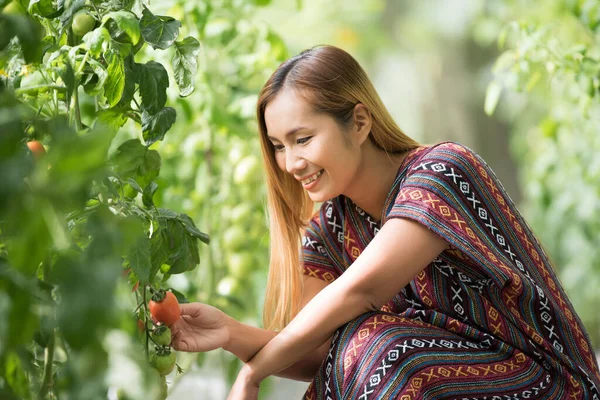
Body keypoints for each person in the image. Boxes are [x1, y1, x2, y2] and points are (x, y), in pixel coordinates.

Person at [170, 45, 600, 399]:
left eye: (303, 139)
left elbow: (362, 291)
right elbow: (318, 354)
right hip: (440, 383)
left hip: (548, 384)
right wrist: (229, 333)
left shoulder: (443, 172)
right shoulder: (330, 230)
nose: (291, 163)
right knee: (359, 347)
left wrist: (251, 375)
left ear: (359, 122)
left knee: (383, 346)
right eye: (279, 146)